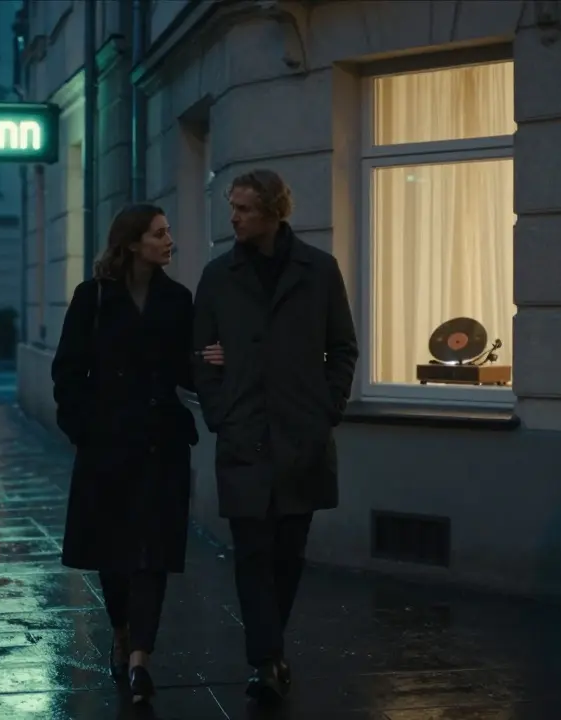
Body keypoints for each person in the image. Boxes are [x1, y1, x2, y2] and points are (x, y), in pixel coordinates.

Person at [192, 169, 358, 703]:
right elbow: (200, 355)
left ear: (273, 211)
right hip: (244, 435)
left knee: (288, 554)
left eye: (243, 208)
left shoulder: (318, 270)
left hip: (300, 437)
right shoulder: (219, 276)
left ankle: (271, 650)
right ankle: (265, 660)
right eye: (232, 207)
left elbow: (342, 347)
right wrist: (220, 412)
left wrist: (327, 408)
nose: (234, 218)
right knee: (251, 553)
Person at [51, 204, 224, 705]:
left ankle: (140, 659)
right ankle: (122, 630)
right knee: (113, 554)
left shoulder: (177, 298)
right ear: (131, 243)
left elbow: (184, 370)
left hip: (160, 442)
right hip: (107, 443)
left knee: (153, 551)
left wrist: (211, 358)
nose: (169, 241)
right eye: (159, 234)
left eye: (168, 232)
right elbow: (68, 371)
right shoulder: (93, 297)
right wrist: (82, 429)